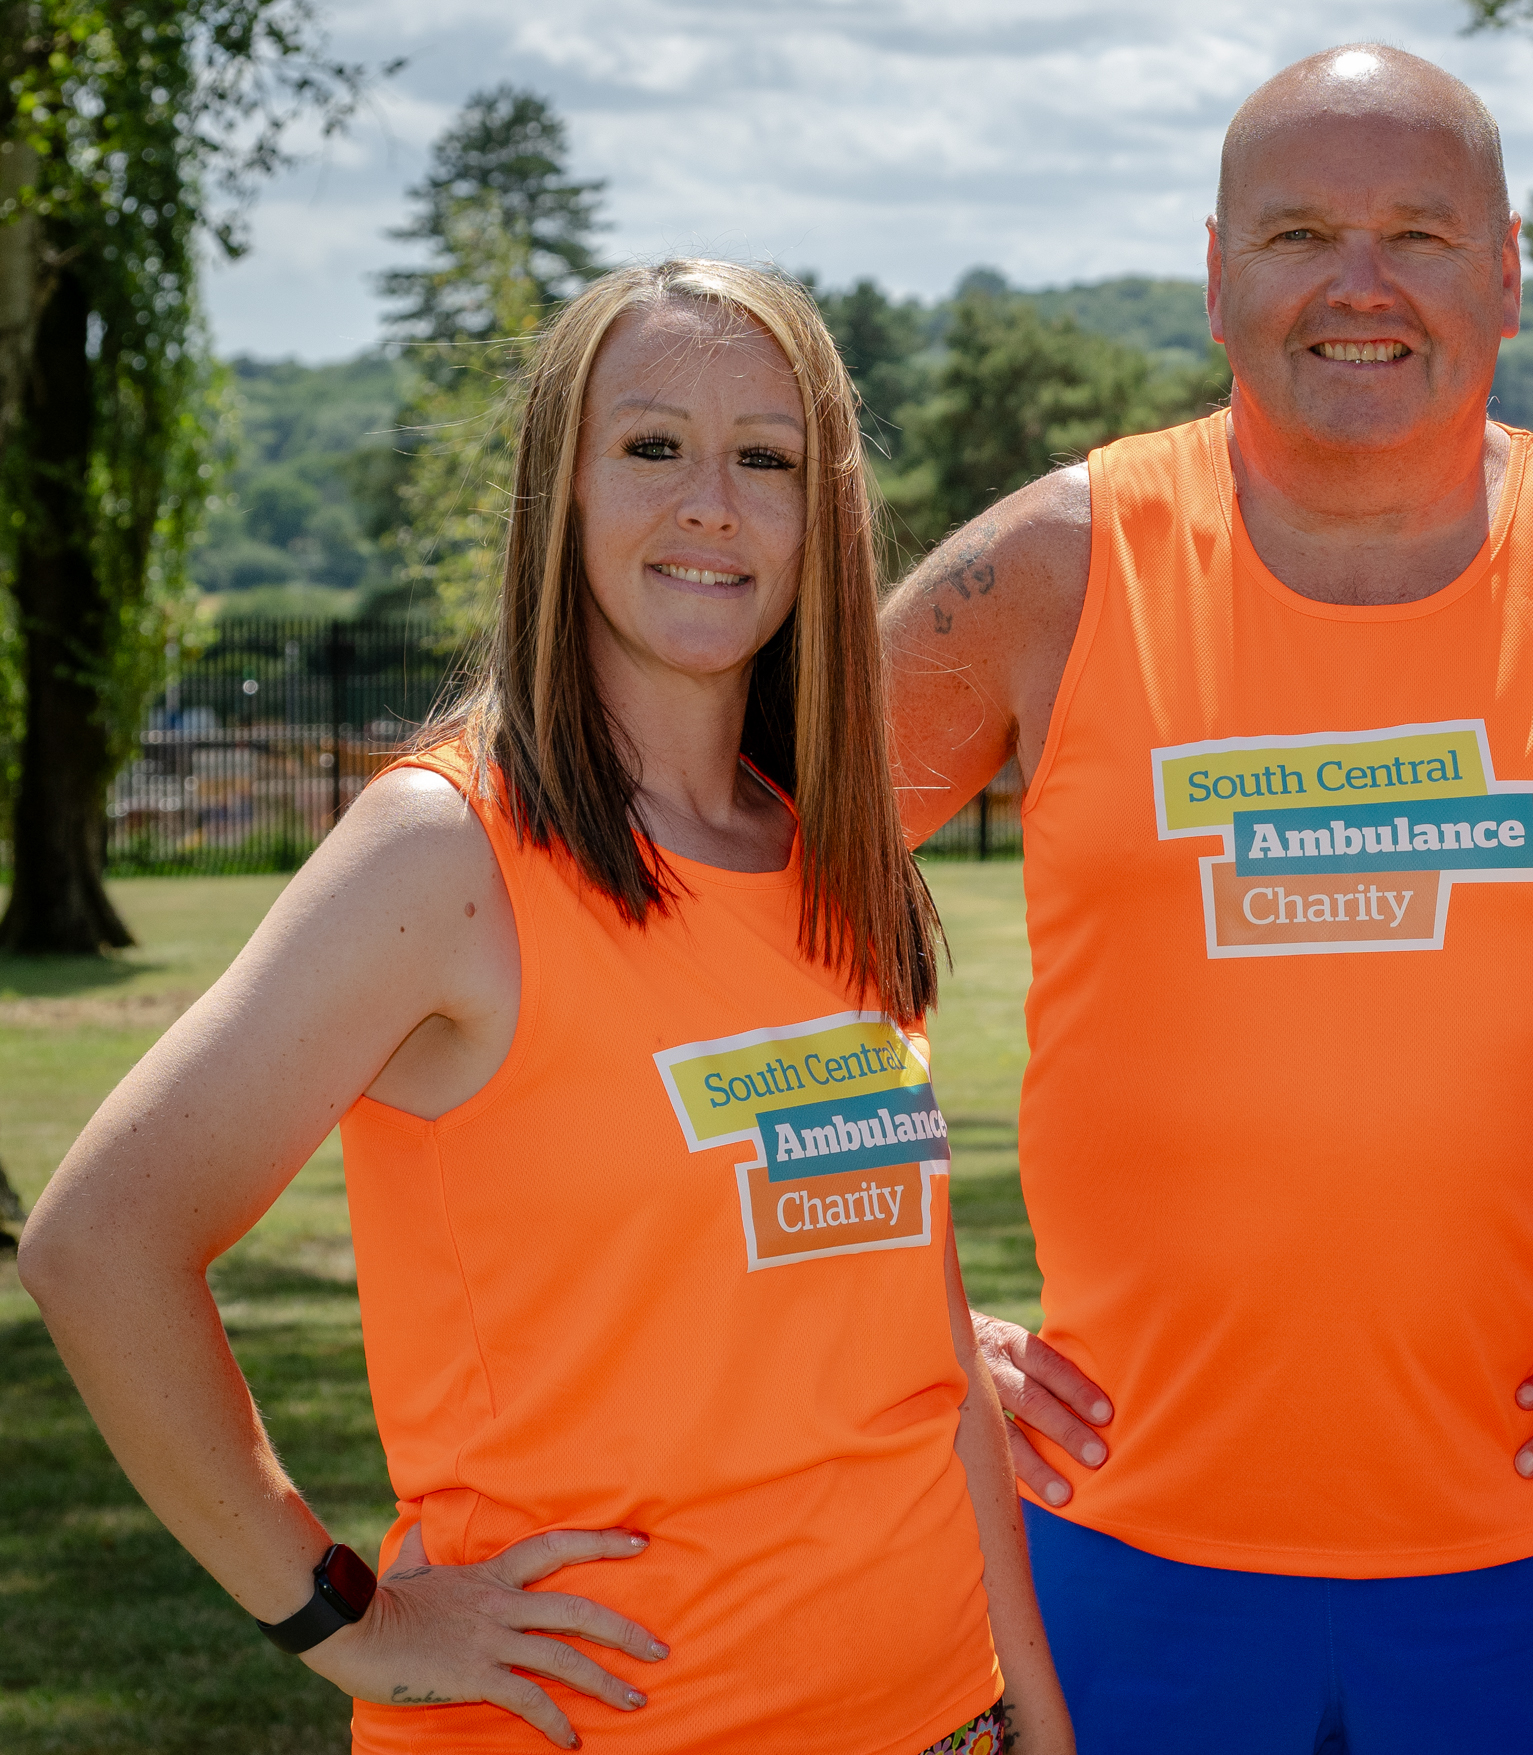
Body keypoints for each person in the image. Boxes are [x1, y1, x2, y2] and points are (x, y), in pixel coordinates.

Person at [879, 43, 1533, 1753]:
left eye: (1420, 235)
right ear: (1215, 280)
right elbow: (729, 903)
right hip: (1119, 1543)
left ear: (1507, 275)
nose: (1359, 287)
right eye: (1296, 236)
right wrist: (905, 1319)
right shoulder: (1054, 571)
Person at [22, 261, 1072, 1755]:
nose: (711, 503)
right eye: (652, 446)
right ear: (558, 496)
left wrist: (1023, 1691)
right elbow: (100, 1244)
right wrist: (347, 1622)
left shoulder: (830, 854)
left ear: (817, 517)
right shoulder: (448, 852)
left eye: (763, 459)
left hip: (939, 1711)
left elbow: (932, 1354)